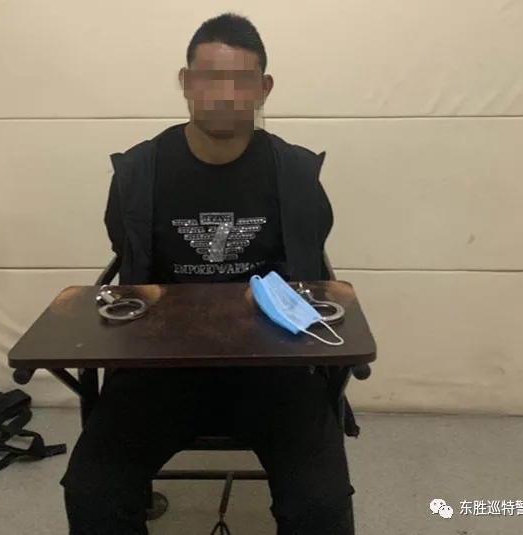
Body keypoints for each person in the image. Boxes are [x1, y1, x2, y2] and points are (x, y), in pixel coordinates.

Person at [60, 12, 355, 535]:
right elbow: (126, 256)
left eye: (241, 80)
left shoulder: (296, 174)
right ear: (185, 82)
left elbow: (312, 263)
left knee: (320, 502)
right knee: (92, 490)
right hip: (160, 368)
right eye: (209, 78)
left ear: (263, 89)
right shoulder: (138, 174)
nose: (224, 94)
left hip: (274, 369)